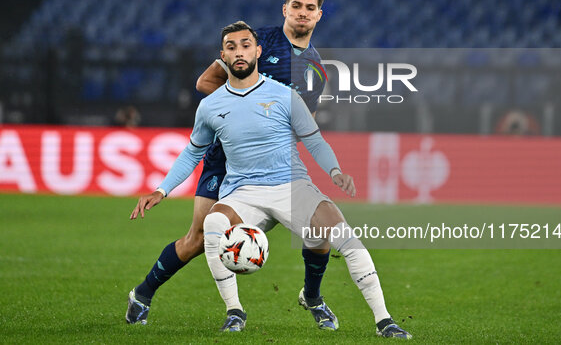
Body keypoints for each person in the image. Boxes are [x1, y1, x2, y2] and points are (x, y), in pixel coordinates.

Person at [130, 21, 411, 339]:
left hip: (291, 186)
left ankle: (383, 320)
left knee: (342, 238)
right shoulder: (210, 106)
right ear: (223, 55)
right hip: (243, 192)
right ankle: (234, 311)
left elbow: (315, 140)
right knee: (210, 226)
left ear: (258, 51)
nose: (239, 51)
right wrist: (161, 189)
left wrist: (334, 171)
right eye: (232, 47)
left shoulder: (285, 96)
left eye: (246, 45)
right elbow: (193, 153)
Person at [126, 0, 339, 330]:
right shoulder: (255, 42)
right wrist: (242, 114)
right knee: (197, 239)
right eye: (296, 6)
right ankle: (142, 294)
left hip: (268, 167)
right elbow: (205, 83)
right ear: (286, 8)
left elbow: (304, 123)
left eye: (310, 8)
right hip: (223, 159)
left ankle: (312, 298)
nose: (303, 13)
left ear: (319, 14)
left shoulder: (316, 68)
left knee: (316, 233)